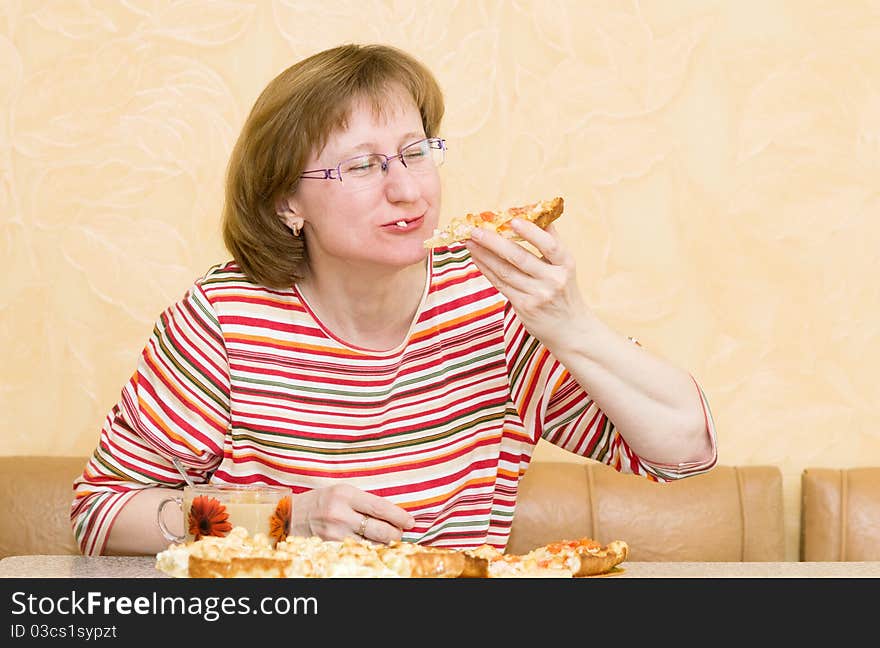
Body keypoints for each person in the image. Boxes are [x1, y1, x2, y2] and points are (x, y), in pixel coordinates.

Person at [72, 43, 717, 557]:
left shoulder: (489, 299)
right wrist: (281, 517)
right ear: (285, 203)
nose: (407, 190)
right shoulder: (225, 319)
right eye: (361, 165)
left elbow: (685, 451)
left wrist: (570, 325)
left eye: (415, 153)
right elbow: (99, 513)